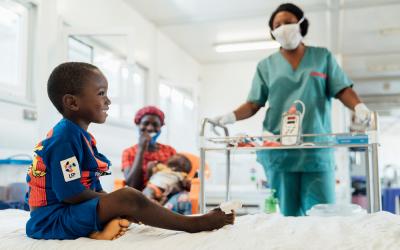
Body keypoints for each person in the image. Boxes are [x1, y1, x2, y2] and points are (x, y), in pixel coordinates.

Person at [25, 62, 234, 240]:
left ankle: (100, 231)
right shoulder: (64, 138)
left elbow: (91, 186)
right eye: (101, 94)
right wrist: (119, 203)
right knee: (128, 197)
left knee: (125, 200)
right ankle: (194, 225)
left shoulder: (80, 136)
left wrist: (114, 203)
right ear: (72, 102)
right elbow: (70, 193)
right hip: (51, 221)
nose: (108, 101)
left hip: (68, 212)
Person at [212, 3, 371, 216]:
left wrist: (359, 107)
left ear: (301, 24)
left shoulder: (322, 57)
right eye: (277, 25)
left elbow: (342, 89)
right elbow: (253, 104)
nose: (283, 28)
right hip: (280, 151)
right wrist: (229, 117)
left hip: (316, 149)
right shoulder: (266, 66)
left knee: (323, 215)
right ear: (272, 32)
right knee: (289, 217)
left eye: (288, 22)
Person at [122, 106, 192, 214]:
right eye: (145, 123)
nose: (150, 128)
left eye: (155, 125)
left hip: (169, 198)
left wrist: (173, 189)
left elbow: (179, 179)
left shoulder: (169, 151)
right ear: (138, 124)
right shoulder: (129, 152)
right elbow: (132, 185)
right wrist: (141, 150)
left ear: (161, 128)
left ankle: (187, 226)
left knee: (183, 200)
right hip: (142, 199)